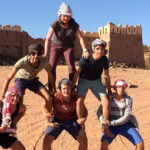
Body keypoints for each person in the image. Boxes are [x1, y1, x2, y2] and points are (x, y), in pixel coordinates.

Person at [1, 43, 56, 121]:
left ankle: (48, 120)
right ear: (30, 54)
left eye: (39, 54)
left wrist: (54, 88)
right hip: (21, 80)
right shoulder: (23, 61)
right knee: (19, 104)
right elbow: (8, 78)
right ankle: (12, 123)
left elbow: (50, 75)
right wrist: (2, 96)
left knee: (49, 98)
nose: (36, 56)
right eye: (33, 53)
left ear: (41, 55)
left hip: (33, 80)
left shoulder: (44, 62)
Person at [44, 2, 90, 89]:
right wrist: (46, 53)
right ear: (60, 15)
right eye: (64, 16)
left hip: (68, 47)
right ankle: (51, 88)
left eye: (68, 16)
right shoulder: (55, 24)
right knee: (51, 67)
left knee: (71, 68)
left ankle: (71, 88)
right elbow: (48, 39)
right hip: (55, 46)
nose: (66, 18)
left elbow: (80, 37)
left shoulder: (74, 25)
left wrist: (85, 50)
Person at [73, 38, 113, 136]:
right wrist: (73, 86)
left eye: (102, 49)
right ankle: (81, 126)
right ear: (93, 49)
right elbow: (77, 73)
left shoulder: (104, 59)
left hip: (96, 81)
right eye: (98, 49)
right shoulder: (85, 58)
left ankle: (105, 126)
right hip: (84, 80)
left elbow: (106, 75)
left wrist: (109, 90)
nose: (100, 51)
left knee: (106, 101)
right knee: (79, 101)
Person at [97, 79, 144, 150]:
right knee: (104, 143)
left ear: (125, 88)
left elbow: (126, 117)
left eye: (123, 87)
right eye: (119, 87)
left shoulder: (128, 100)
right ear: (115, 88)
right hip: (110, 126)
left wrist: (111, 123)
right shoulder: (108, 98)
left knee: (140, 144)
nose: (121, 89)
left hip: (125, 125)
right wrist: (103, 121)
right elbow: (99, 111)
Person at [42, 78, 87, 150]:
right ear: (60, 90)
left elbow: (85, 110)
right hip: (57, 120)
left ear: (72, 89)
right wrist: (45, 113)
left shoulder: (75, 98)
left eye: (68, 88)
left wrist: (84, 118)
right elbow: (44, 105)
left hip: (72, 120)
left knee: (83, 139)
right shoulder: (55, 97)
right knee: (46, 140)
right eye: (64, 89)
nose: (66, 91)